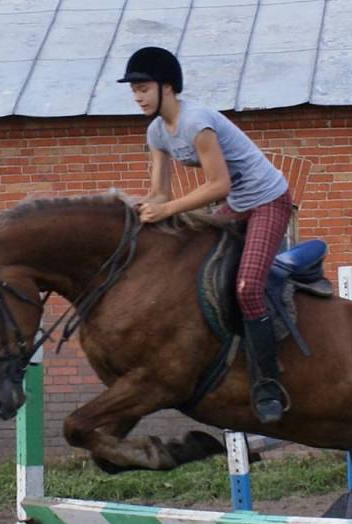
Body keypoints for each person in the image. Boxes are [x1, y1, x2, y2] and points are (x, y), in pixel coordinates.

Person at [118, 46, 292, 424]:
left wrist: (166, 210)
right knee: (193, 267)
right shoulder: (156, 132)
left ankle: (268, 384)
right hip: (238, 203)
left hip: (267, 201)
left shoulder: (197, 123)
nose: (137, 96)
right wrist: (136, 211)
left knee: (247, 287)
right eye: (133, 90)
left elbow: (218, 186)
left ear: (167, 87)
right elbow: (160, 193)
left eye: (143, 88)